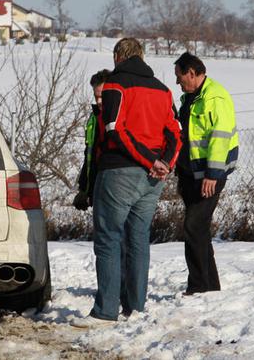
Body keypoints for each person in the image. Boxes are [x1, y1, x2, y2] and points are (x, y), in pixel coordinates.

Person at [74, 38, 181, 328]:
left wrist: (148, 160)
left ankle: (105, 311)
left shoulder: (115, 85)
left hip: (121, 171)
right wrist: (165, 163)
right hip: (153, 178)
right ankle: (135, 306)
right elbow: (174, 131)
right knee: (138, 239)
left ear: (118, 57)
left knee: (108, 239)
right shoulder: (163, 89)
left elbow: (115, 132)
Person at [173, 52, 239, 295]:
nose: (178, 82)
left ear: (192, 72)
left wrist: (212, 174)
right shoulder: (191, 98)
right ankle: (210, 286)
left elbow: (219, 138)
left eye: (179, 77)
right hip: (191, 174)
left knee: (193, 226)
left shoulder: (214, 97)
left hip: (210, 175)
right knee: (198, 230)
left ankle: (199, 286)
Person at [73, 69, 111, 211]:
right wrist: (84, 189)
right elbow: (90, 155)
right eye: (96, 97)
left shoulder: (119, 118)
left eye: (102, 96)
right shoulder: (94, 119)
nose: (99, 101)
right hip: (98, 187)